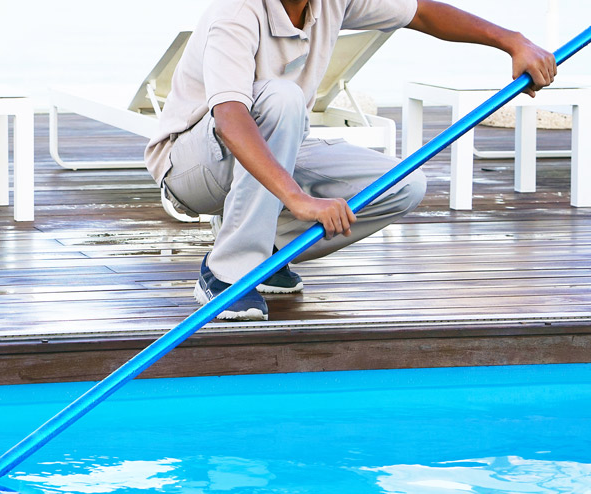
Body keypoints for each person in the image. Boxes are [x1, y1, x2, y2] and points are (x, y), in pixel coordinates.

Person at [144, 0, 557, 321]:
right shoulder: (237, 11)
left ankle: (264, 254)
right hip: (192, 167)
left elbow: (424, 14)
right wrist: (297, 198)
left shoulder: (329, 3)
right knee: (282, 97)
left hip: (274, 141)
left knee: (404, 185)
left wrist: (514, 41)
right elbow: (231, 117)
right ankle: (226, 272)